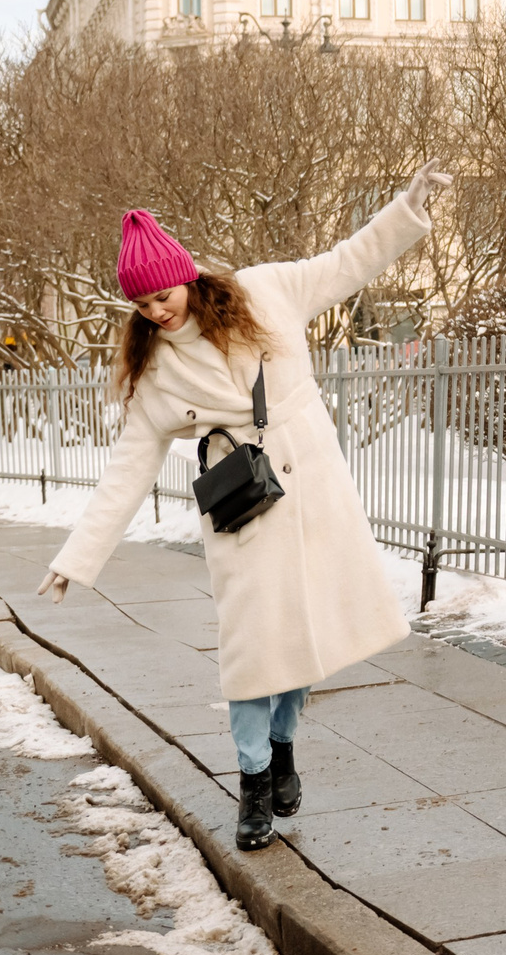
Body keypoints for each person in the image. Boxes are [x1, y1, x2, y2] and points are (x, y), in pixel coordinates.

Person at [36, 160, 452, 851]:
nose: (155, 312)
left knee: (305, 643)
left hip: (312, 494)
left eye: (161, 295)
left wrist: (406, 208)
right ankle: (254, 783)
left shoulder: (267, 291)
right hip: (243, 512)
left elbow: (349, 260)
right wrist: (77, 557)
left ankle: (284, 745)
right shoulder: (157, 372)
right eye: (141, 305)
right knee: (252, 654)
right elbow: (128, 469)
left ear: (188, 275)